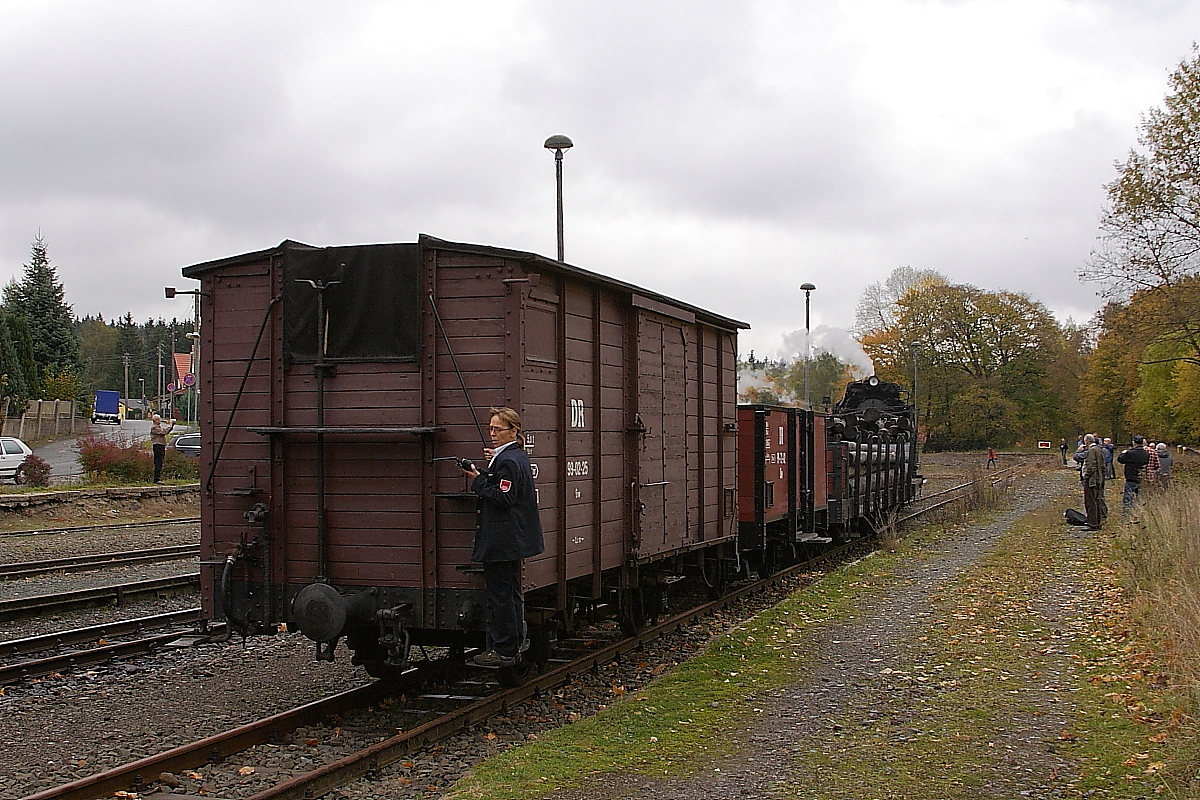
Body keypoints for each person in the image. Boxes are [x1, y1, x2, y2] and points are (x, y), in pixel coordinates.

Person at [461, 407, 545, 667]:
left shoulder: (508, 461)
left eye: (498, 429)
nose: (493, 434)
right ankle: (516, 641)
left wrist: (477, 481)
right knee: (511, 593)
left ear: (513, 431)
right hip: (512, 540)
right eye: (491, 429)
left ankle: (505, 649)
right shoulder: (515, 456)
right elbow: (504, 483)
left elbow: (504, 496)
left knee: (502, 594)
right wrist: (487, 472)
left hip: (502, 540)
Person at [1116, 436, 1152, 511]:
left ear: (1134, 442)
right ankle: (1139, 514)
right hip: (1141, 479)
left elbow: (1120, 459)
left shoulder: (1130, 453)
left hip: (1130, 479)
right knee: (1140, 499)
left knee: (1128, 500)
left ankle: (1127, 517)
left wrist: (1123, 453)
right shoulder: (1146, 454)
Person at [1079, 434, 1107, 530]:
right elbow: (1103, 465)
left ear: (1087, 441)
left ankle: (1092, 523)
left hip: (1092, 480)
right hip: (1099, 479)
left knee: (1090, 502)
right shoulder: (1099, 449)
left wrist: (1086, 476)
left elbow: (1090, 466)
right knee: (1097, 500)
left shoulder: (1091, 451)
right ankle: (1098, 522)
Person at [149, 414, 175, 484]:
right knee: (158, 462)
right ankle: (156, 479)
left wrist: (171, 426)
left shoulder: (158, 427)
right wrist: (169, 425)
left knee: (160, 462)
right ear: (156, 420)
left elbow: (165, 432)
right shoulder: (154, 427)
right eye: (159, 419)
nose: (160, 420)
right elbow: (164, 432)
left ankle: (158, 478)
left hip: (161, 445)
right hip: (158, 445)